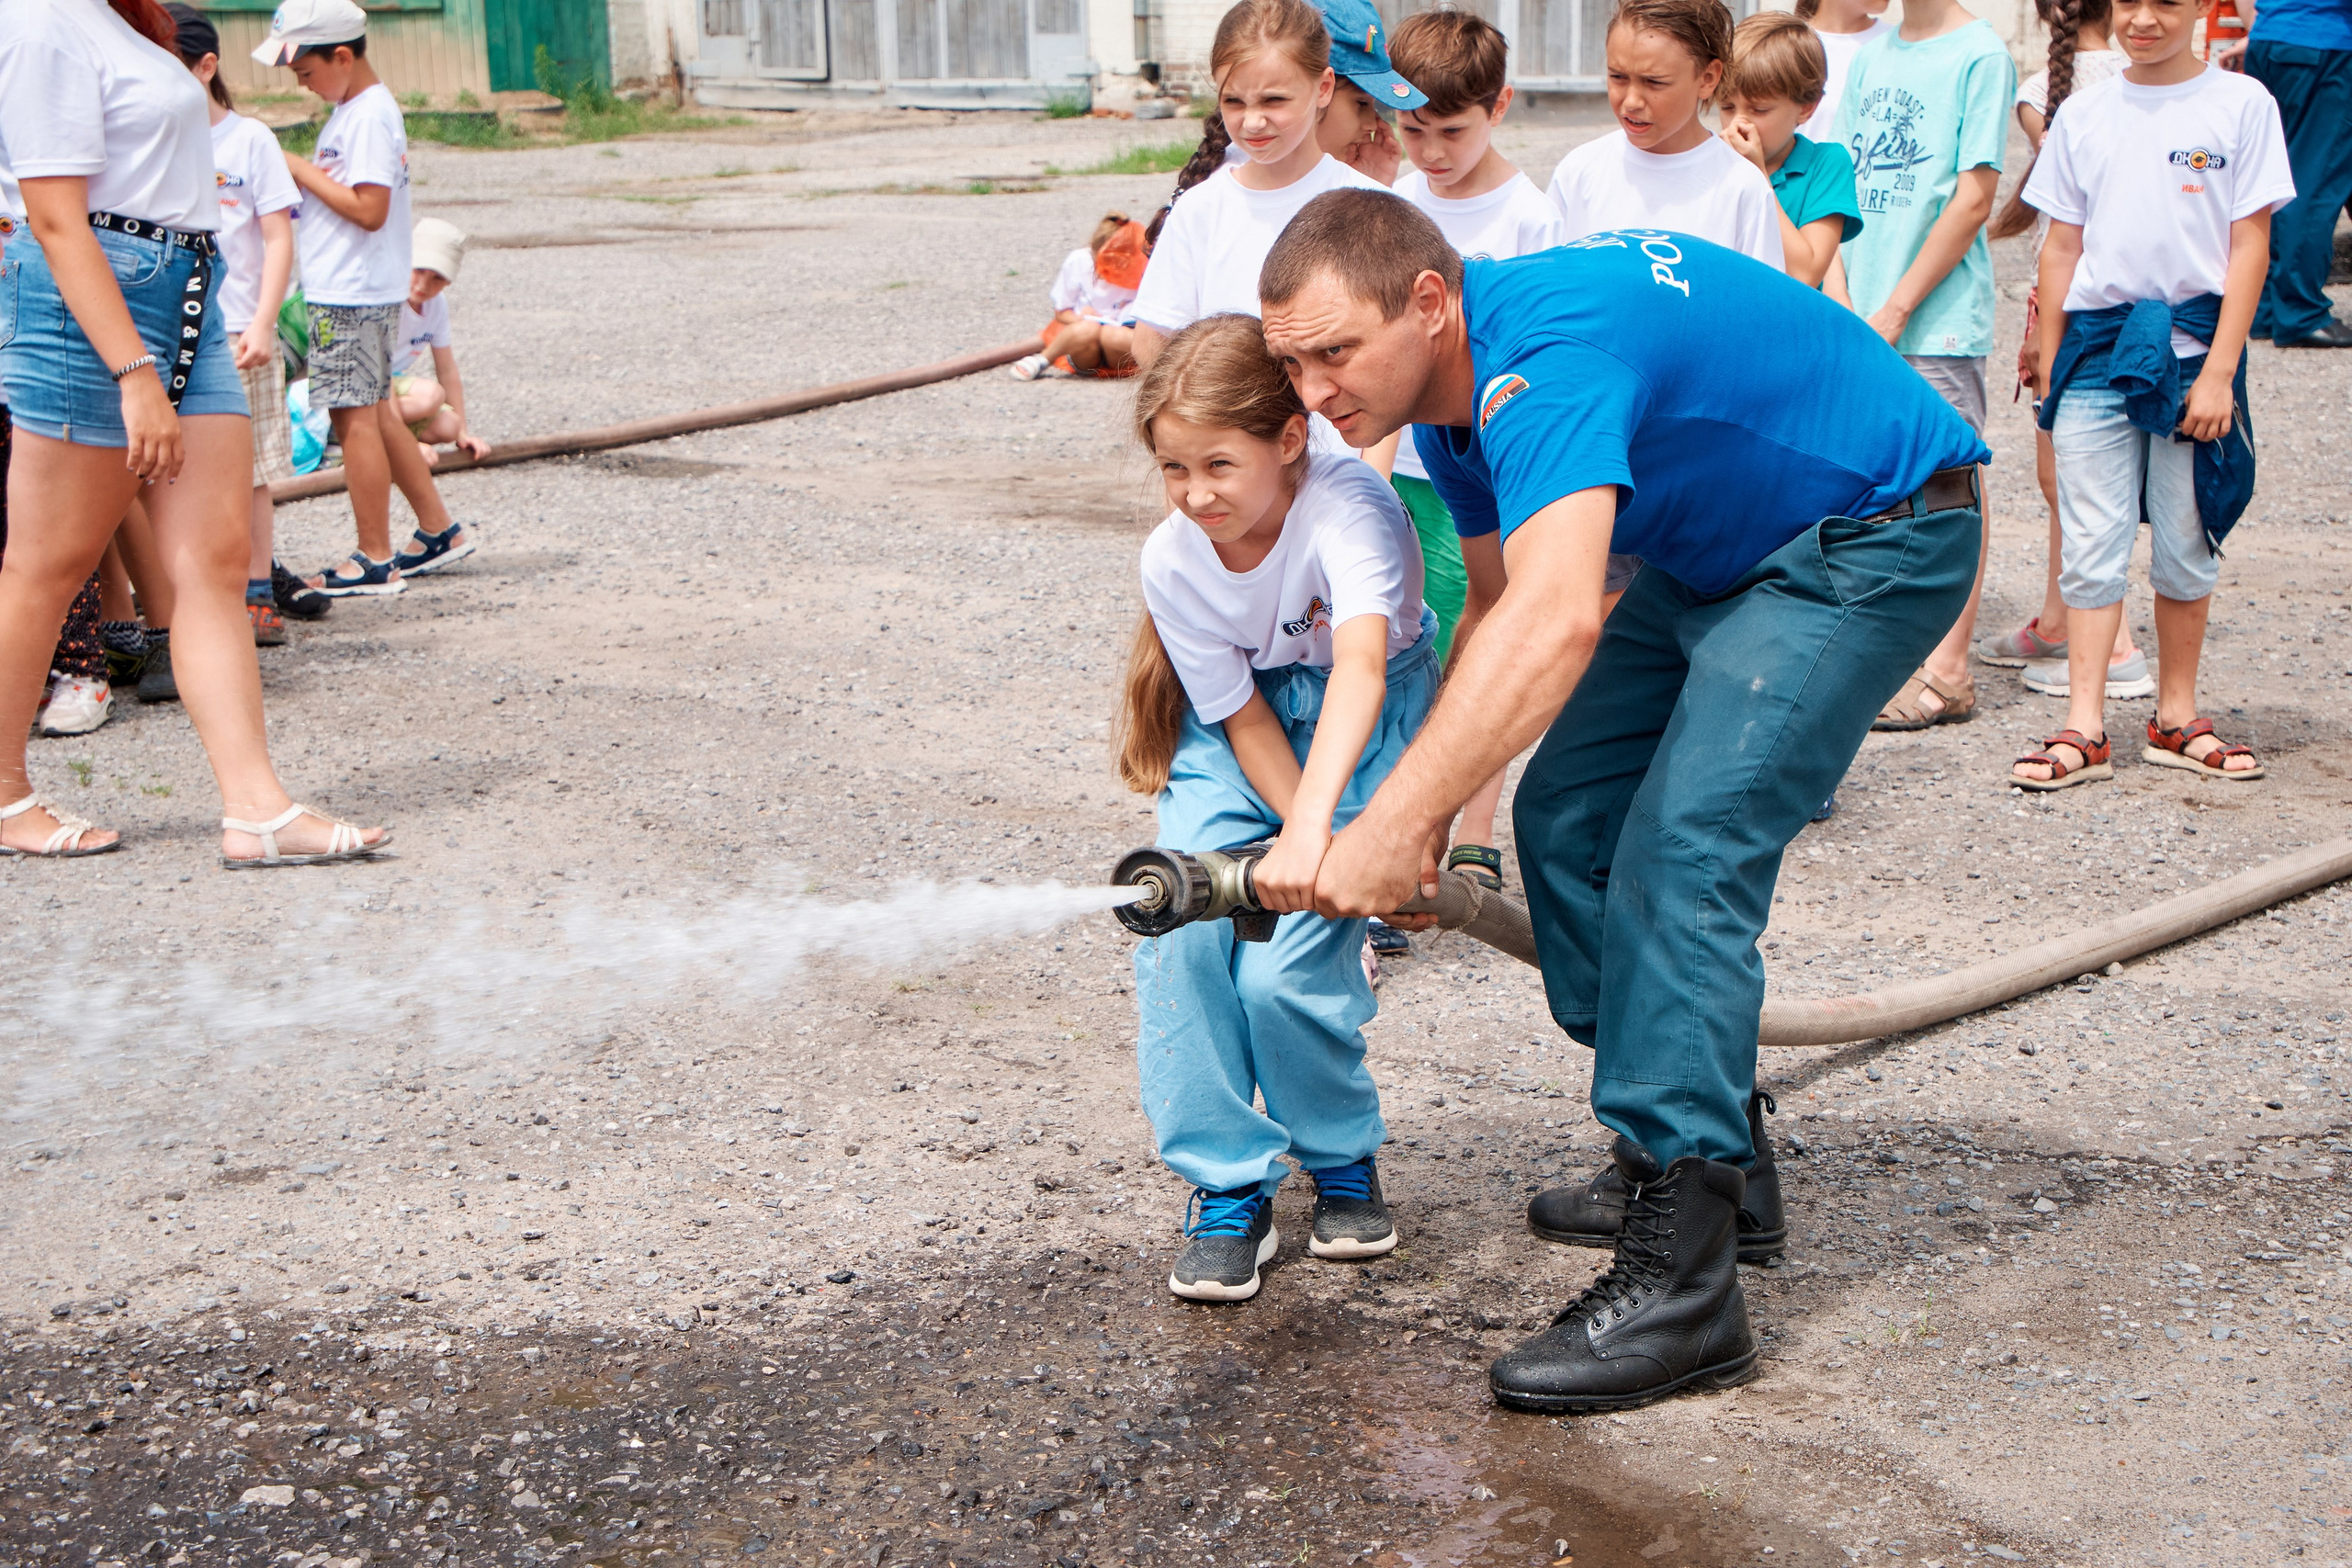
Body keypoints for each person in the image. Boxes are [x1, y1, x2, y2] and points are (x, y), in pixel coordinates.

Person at [1259, 189, 1987, 1410]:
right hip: (1732, 555)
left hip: (1873, 539)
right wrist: (1430, 812)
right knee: (1567, 824)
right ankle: (1704, 1146)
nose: (1316, 391)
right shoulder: (1454, 411)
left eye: (1336, 352)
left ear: (1429, 302)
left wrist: (1386, 828)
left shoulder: (1546, 357)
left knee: (1682, 851)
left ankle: (1688, 1279)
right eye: (1293, 362)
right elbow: (1502, 607)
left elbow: (1554, 619)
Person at [0, 0, 389, 864]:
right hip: (93, 302)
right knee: (49, 563)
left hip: (186, 291)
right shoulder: (39, 20)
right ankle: (2, 794)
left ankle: (257, 810)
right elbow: (56, 216)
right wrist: (133, 372)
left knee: (213, 561)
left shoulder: (123, 20)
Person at [1118, 314, 1437, 1303]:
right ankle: (1225, 1187)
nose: (1195, 494)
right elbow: (1243, 720)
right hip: (1245, 730)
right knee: (1178, 938)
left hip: (1367, 708)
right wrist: (1294, 826)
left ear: (1288, 440)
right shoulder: (1173, 559)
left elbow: (1358, 672)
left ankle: (1338, 1155)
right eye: (1174, 469)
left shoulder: (1352, 508)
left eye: (1218, 464)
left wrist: (1323, 840)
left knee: (1283, 977)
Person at [2007, 0, 2291, 791]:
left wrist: (2220, 372)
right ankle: (2085, 724)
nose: (2144, 18)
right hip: (2098, 348)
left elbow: (2250, 243)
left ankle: (2175, 715)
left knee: (2185, 534)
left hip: (2196, 349)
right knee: (2091, 537)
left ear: (2204, 6)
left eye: (2165, 1)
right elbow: (2062, 245)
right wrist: (2054, 365)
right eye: (2129, 1)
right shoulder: (2085, 113)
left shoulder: (2242, 104)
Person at [1385, 6, 1563, 895]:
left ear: (1499, 106)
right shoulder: (1394, 207)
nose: (1430, 152)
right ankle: (1400, 811)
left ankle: (1474, 824)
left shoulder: (1532, 215)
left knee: (1485, 628)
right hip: (1409, 468)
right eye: (1411, 131)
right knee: (1404, 635)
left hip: (1492, 472)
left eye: (1449, 131)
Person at [1837, 0, 2016, 732]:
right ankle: (1881, 655)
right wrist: (1843, 296)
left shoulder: (1981, 54)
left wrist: (1899, 306)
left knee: (1946, 485)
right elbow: (1841, 182)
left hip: (1933, 317)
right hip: (1859, 306)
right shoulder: (1873, 53)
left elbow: (1974, 198)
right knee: (1865, 486)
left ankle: (1949, 668)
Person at [264, 0, 468, 592]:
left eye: (306, 73)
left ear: (343, 56)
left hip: (350, 290)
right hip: (351, 284)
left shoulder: (369, 116)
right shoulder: (353, 109)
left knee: (353, 421)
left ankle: (373, 556)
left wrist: (297, 169)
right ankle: (438, 528)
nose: (304, 86)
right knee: (376, 415)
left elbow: (370, 210)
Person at [1981, 0, 2144, 699]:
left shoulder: (2041, 93)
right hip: (2137, 291)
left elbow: (2063, 214)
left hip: (2074, 291)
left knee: (2071, 474)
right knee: (2081, 473)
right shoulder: (2148, 73)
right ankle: (2056, 618)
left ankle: (2117, 646)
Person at [1128, 0, 1413, 376]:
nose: (1253, 121)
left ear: (1323, 88)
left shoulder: (1376, 205)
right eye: (1233, 101)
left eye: (1274, 100)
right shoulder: (1200, 210)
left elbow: (1402, 352)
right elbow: (1152, 342)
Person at [164, 5, 302, 649]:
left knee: (249, 473)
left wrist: (265, 321)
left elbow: (277, 238)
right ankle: (187, 594)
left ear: (206, 66)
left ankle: (256, 592)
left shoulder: (250, 142)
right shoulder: (157, 142)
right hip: (169, 334)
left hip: (241, 334)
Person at [1545, 0, 1785, 269]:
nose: (1632, 101)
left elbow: (1762, 306)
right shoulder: (1578, 172)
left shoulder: (1742, 188)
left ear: (1708, 78)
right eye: (1618, 77)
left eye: (1654, 82)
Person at [2219, 0, 2352, 346]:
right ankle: (2300, 312)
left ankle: (2264, 310)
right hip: (2325, 44)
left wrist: (2261, 31)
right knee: (2315, 180)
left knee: (2275, 175)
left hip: (2269, 39)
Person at [1717, 12, 1863, 292]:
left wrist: (1757, 175)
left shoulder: (1826, 164)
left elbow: (1804, 273)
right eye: (1726, 107)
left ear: (1806, 107)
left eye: (1759, 110)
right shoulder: (1711, 160)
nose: (1738, 122)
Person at [390, 217, 493, 503]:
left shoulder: (437, 306)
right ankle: (390, 441)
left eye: (437, 278)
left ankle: (391, 437)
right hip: (365, 385)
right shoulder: (388, 298)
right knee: (430, 396)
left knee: (448, 425)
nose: (424, 285)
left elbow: (446, 369)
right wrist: (407, 445)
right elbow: (372, 371)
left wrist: (463, 433)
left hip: (390, 389)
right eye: (418, 271)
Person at [1009, 210, 1148, 380]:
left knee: (1111, 334)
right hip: (1086, 348)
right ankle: (1042, 360)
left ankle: (1158, 369)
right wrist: (1080, 318)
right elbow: (1061, 313)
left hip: (1121, 347)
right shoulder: (1079, 260)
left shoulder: (1144, 265)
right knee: (1088, 328)